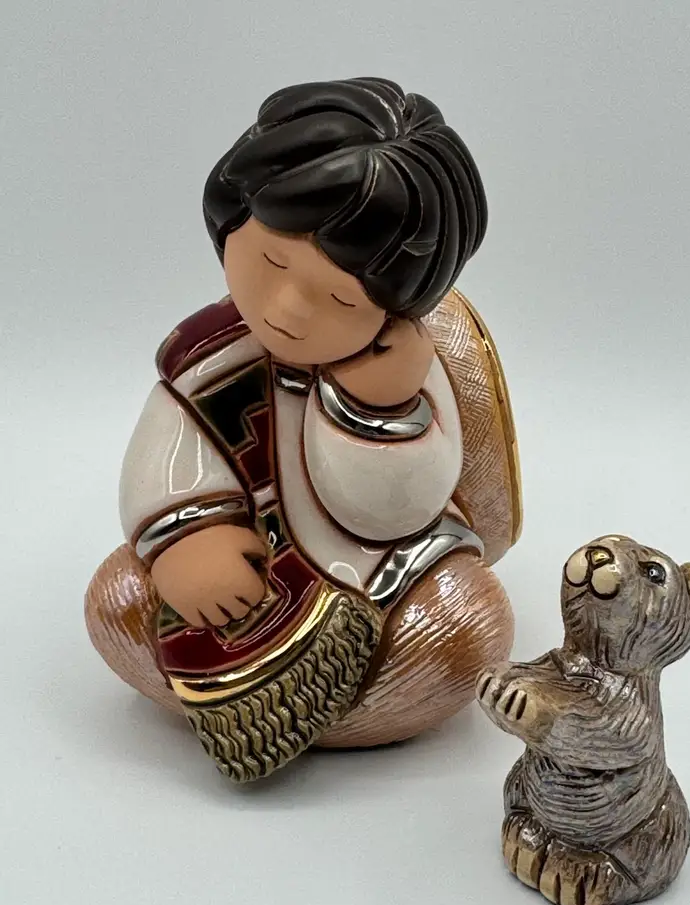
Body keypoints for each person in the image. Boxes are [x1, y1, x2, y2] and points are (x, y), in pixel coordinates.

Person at [86, 77, 520, 781]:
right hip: (245, 551)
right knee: (118, 597)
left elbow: (390, 514)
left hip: (380, 567)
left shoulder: (401, 370)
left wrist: (378, 407)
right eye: (271, 261)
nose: (287, 309)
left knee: (466, 627)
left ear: (397, 309)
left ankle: (359, 700)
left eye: (341, 298)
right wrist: (187, 538)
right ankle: (277, 704)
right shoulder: (207, 355)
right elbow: (169, 449)